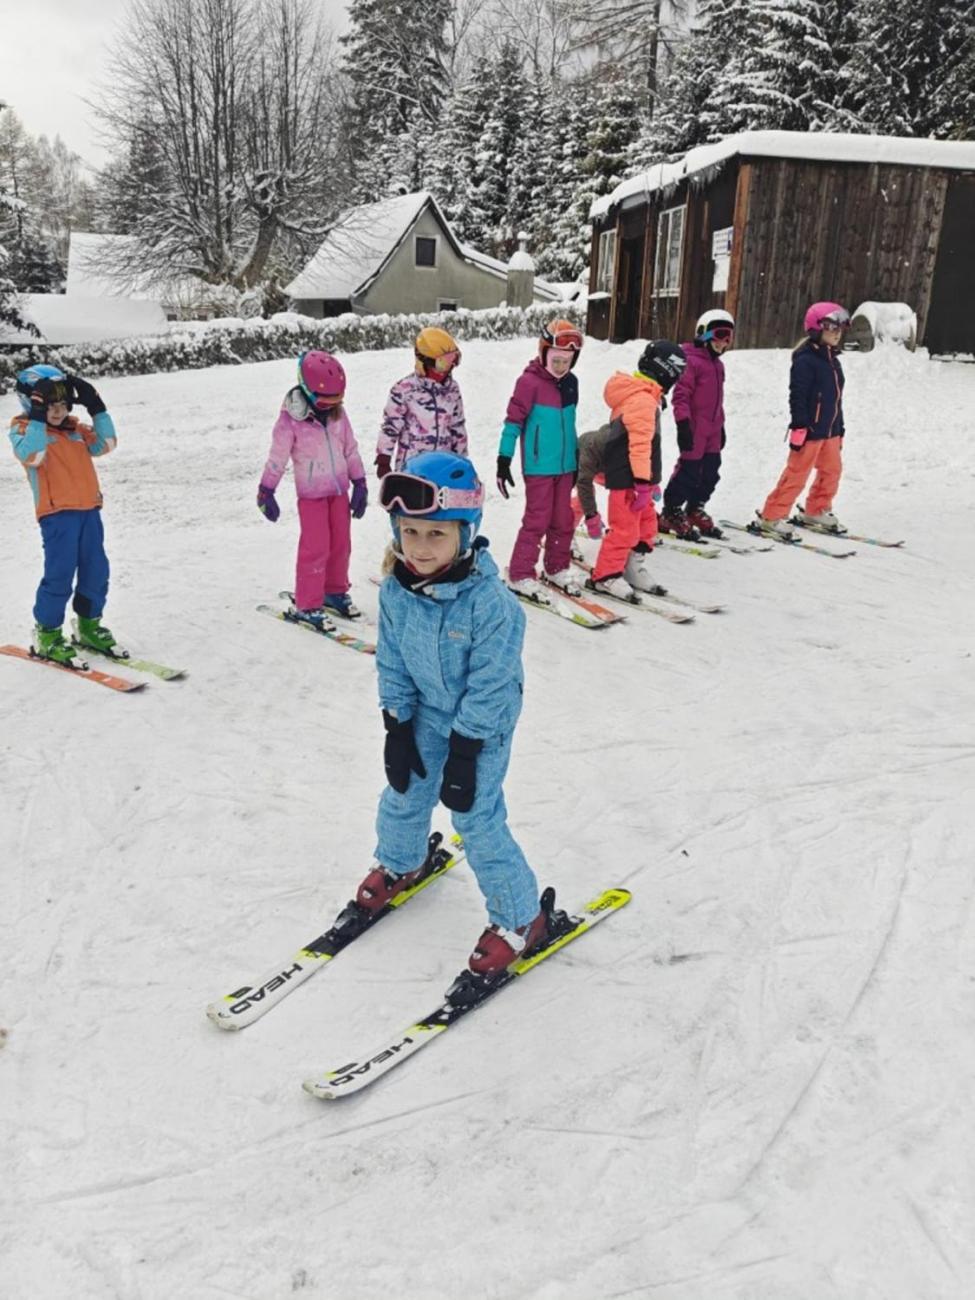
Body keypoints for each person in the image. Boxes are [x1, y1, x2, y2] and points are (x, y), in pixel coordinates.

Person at [354, 450, 549, 976]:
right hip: (423, 714)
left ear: (466, 531)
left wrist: (465, 751)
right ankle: (401, 860)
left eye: (436, 534)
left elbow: (492, 686)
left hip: (481, 728)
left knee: (476, 816)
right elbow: (392, 658)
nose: (419, 548)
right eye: (410, 532)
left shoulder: (492, 606)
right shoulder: (397, 589)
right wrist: (397, 723)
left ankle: (521, 917)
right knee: (404, 790)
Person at [9, 363, 118, 666]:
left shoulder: (75, 429)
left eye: (63, 404)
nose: (57, 411)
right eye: (49, 404)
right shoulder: (23, 428)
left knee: (97, 571)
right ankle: (47, 633)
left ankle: (88, 626)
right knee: (59, 575)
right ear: (32, 404)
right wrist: (36, 417)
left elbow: (106, 444)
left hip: (89, 513)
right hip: (57, 517)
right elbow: (33, 455)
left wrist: (97, 408)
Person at [257, 350, 367, 624]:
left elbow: (350, 449)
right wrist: (266, 490)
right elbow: (277, 458)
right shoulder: (289, 421)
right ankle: (307, 604)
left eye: (336, 400)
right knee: (315, 547)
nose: (330, 405)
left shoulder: (339, 416)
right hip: (312, 497)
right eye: (325, 400)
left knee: (341, 544)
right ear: (306, 390)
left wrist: (360, 481)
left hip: (339, 492)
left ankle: (334, 591)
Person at [578, 341, 687, 600]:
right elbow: (639, 445)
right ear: (667, 371)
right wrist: (640, 482)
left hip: (640, 480)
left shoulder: (648, 397)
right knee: (624, 528)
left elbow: (650, 445)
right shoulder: (642, 400)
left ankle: (631, 566)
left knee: (647, 525)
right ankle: (605, 576)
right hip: (627, 478)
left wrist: (651, 482)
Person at [497, 318, 584, 604]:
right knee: (537, 519)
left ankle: (556, 567)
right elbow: (513, 423)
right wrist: (504, 458)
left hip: (565, 466)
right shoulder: (528, 383)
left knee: (563, 519)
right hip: (538, 466)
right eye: (557, 360)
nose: (561, 367)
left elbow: (568, 424)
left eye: (567, 361)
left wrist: (575, 458)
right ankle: (521, 572)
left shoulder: (571, 383)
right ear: (544, 352)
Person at [755, 302, 851, 538]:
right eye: (831, 326)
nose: (837, 332)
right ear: (816, 328)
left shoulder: (833, 361)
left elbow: (836, 400)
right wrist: (799, 426)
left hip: (830, 430)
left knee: (832, 471)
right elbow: (797, 395)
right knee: (797, 474)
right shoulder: (806, 361)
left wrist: (840, 427)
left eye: (840, 327)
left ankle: (816, 509)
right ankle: (772, 515)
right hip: (810, 429)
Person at [660, 309, 734, 539]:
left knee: (711, 472)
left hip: (712, 430)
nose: (724, 342)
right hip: (693, 429)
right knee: (689, 472)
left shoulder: (718, 366)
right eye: (720, 335)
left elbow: (717, 401)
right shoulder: (690, 361)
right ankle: (670, 512)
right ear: (703, 334)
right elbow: (681, 396)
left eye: (729, 337)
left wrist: (720, 427)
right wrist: (683, 425)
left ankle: (694, 508)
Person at [374, 326, 467, 477]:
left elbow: (457, 426)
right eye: (442, 363)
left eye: (453, 360)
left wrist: (461, 460)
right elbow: (390, 426)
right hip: (412, 468)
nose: (448, 369)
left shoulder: (452, 390)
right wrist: (383, 458)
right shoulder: (403, 390)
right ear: (424, 362)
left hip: (444, 465)